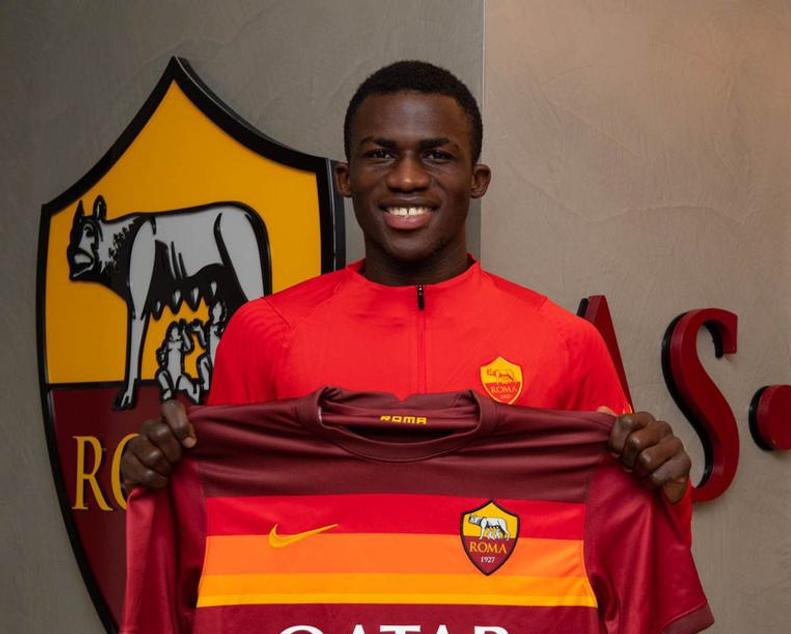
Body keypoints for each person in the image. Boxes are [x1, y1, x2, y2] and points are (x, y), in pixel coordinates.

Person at [120, 60, 692, 511]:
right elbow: (220, 516)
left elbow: (621, 531)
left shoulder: (565, 344)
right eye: (380, 154)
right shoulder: (266, 332)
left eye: (437, 155)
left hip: (502, 632)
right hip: (322, 630)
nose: (408, 178)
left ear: (477, 179)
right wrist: (158, 480)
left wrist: (664, 484)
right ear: (346, 178)